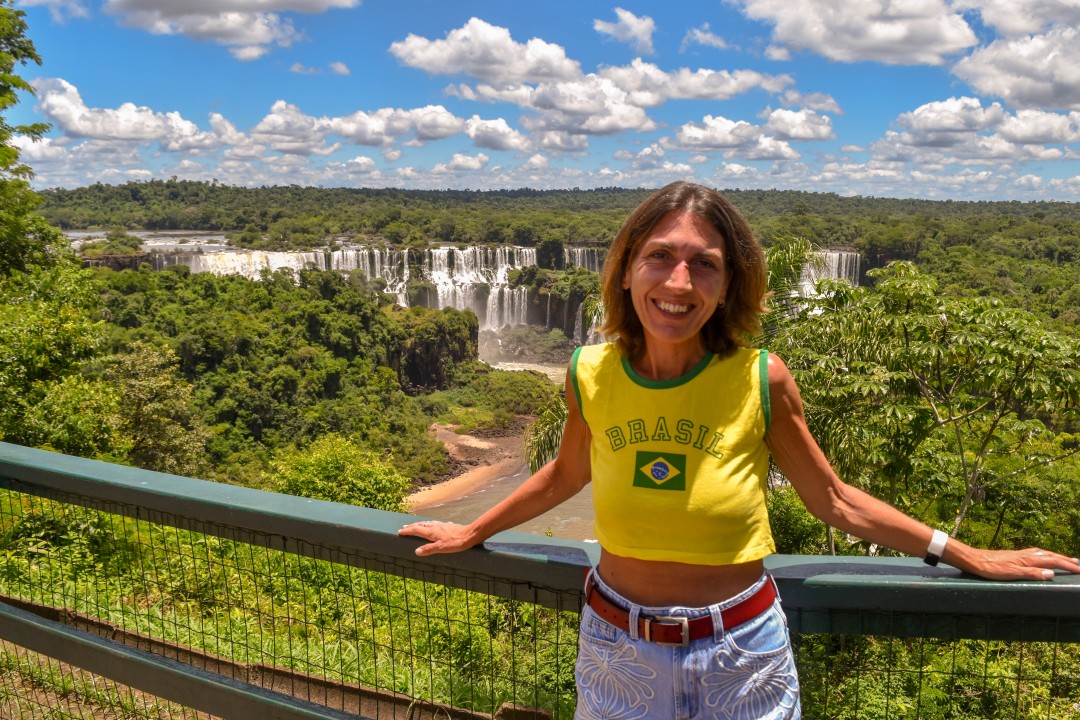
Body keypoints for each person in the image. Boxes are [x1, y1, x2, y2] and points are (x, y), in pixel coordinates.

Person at [399, 181, 1080, 720]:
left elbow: (834, 500)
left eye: (705, 265)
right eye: (660, 256)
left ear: (727, 286)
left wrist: (966, 553)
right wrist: (474, 529)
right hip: (617, 645)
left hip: (740, 649)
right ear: (628, 269)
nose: (678, 283)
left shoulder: (761, 377)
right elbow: (564, 474)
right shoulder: (588, 372)